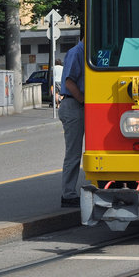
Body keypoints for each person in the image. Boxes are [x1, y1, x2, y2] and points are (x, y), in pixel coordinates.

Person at [58, 38, 85, 208]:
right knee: (73, 153)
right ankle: (68, 195)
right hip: (73, 105)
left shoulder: (86, 52)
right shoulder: (77, 52)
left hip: (78, 105)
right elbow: (69, 81)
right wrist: (83, 101)